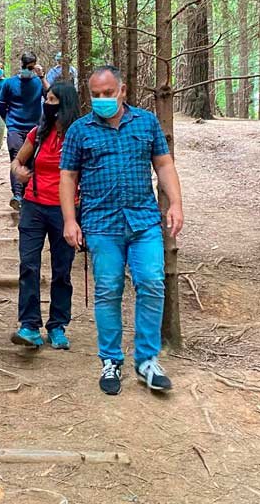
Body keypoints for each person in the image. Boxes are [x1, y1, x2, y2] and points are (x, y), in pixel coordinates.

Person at [59, 65, 184, 396]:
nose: (102, 99)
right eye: (96, 95)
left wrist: (175, 204)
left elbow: (163, 164)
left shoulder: (145, 122)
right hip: (101, 224)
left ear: (123, 90)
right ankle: (111, 360)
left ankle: (147, 360)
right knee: (108, 290)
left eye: (108, 93)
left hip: (143, 221)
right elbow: (68, 176)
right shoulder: (79, 131)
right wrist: (70, 220)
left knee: (151, 283)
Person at [9, 82, 80, 350]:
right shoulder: (37, 134)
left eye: (52, 100)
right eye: (46, 99)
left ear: (65, 103)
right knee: (29, 265)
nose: (47, 104)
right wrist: (19, 172)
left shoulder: (79, 136)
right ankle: (29, 325)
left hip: (66, 210)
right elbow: (17, 161)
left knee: (62, 270)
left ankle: (58, 326)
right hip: (33, 206)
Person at [0, 51, 45, 210]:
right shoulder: (9, 83)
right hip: (15, 128)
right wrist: (10, 123)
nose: (28, 69)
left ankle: (27, 195)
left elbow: (50, 95)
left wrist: (42, 77)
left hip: (34, 128)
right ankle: (17, 195)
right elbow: (1, 106)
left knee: (32, 161)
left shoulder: (38, 82)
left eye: (31, 67)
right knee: (17, 159)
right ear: (21, 65)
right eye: (26, 66)